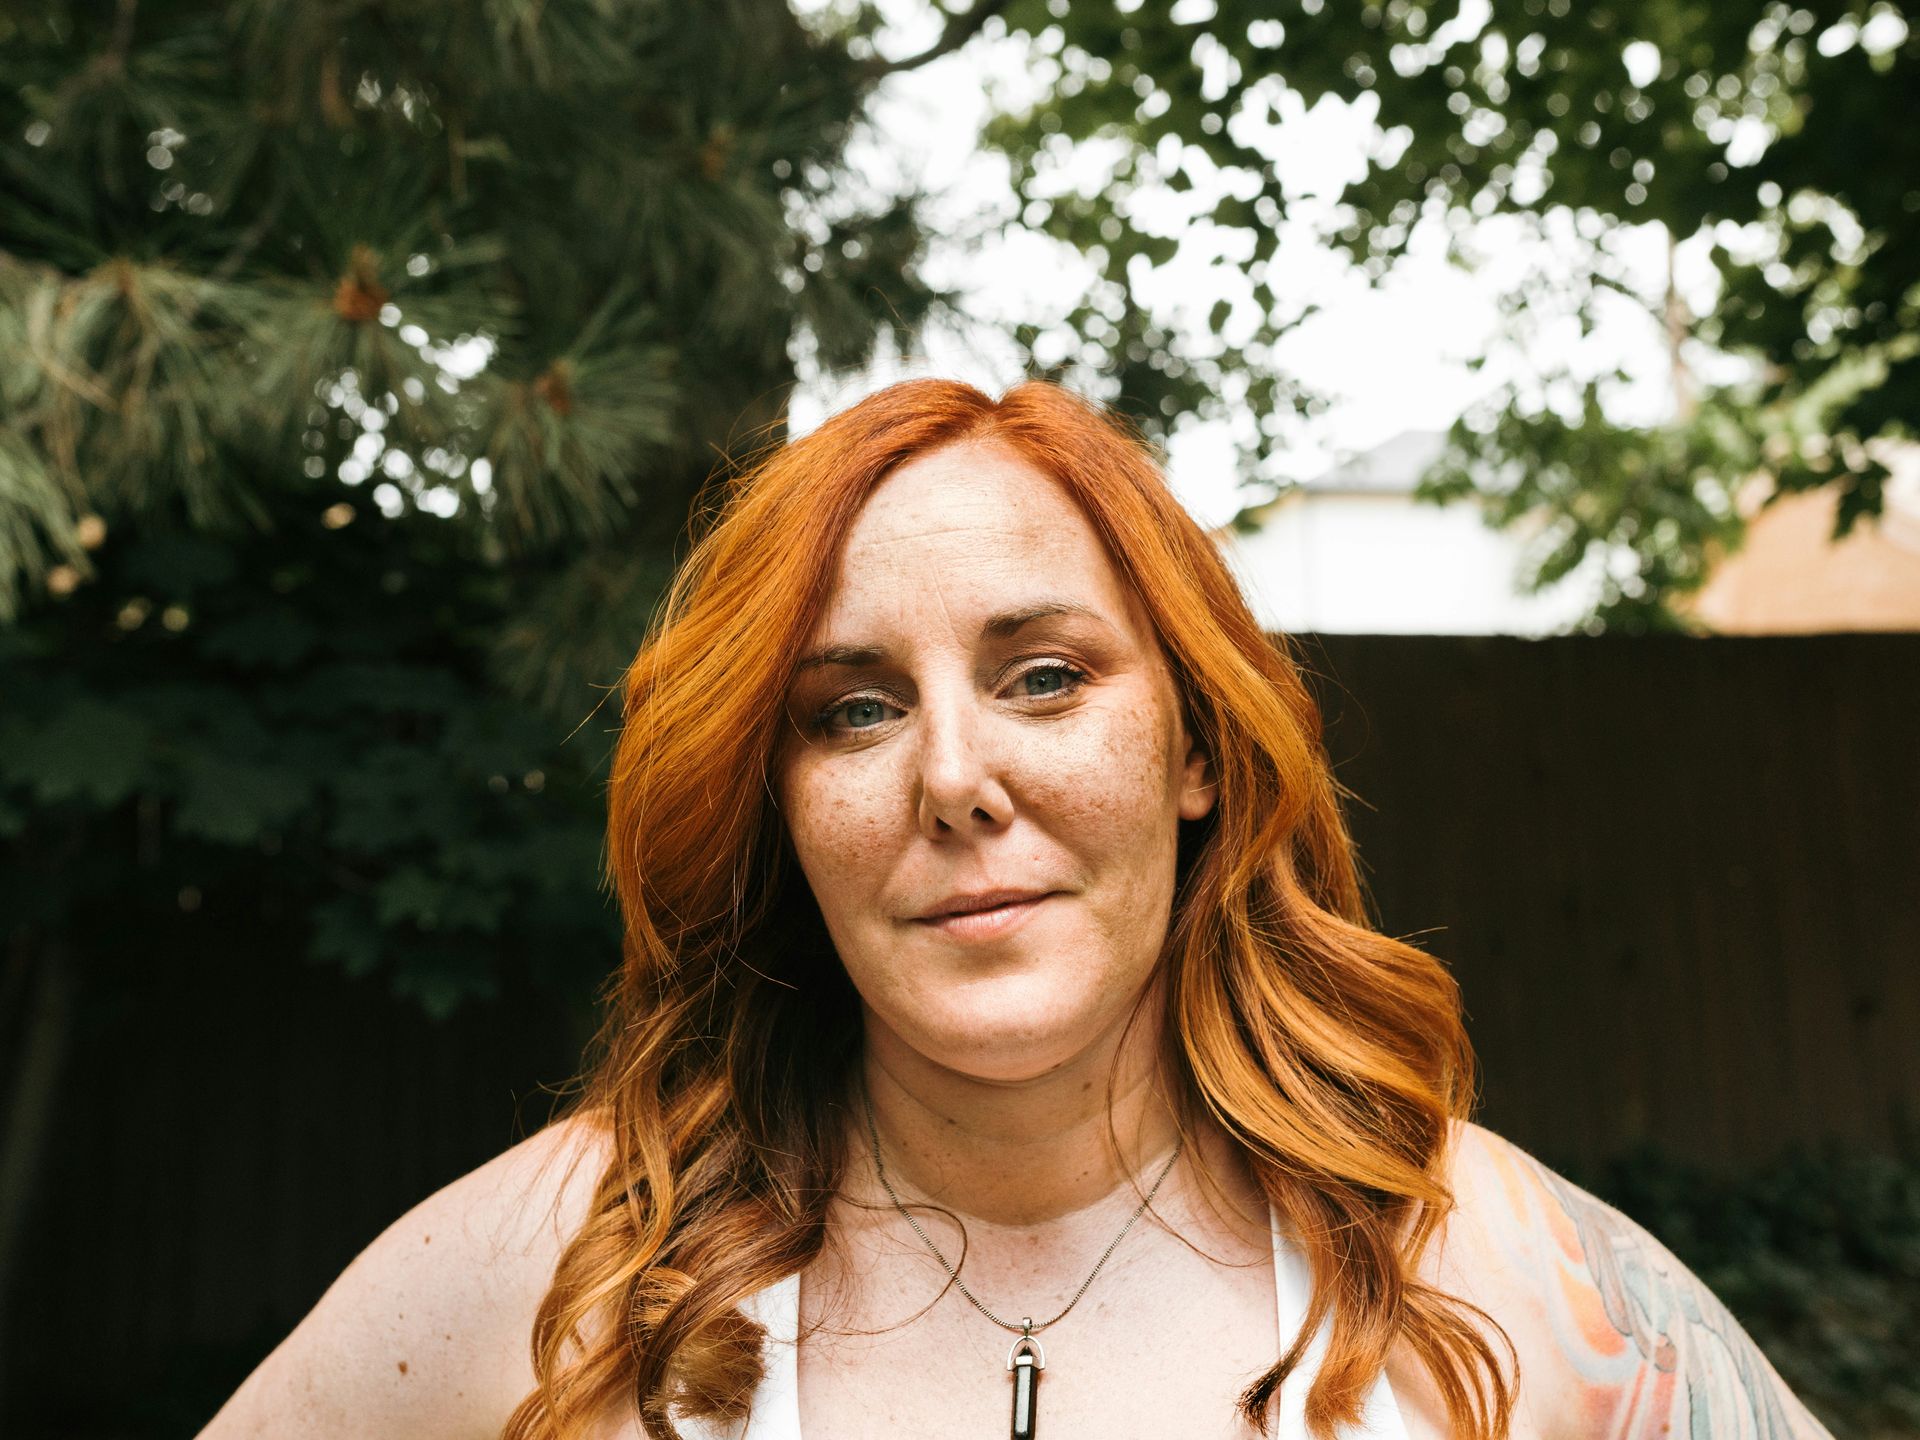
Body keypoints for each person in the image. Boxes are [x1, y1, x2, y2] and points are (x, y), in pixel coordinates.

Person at [197, 379, 1833, 1440]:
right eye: (851, 710)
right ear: (777, 806)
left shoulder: (1497, 1286)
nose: (955, 777)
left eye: (1044, 678)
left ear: (1193, 744)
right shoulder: (553, 1272)